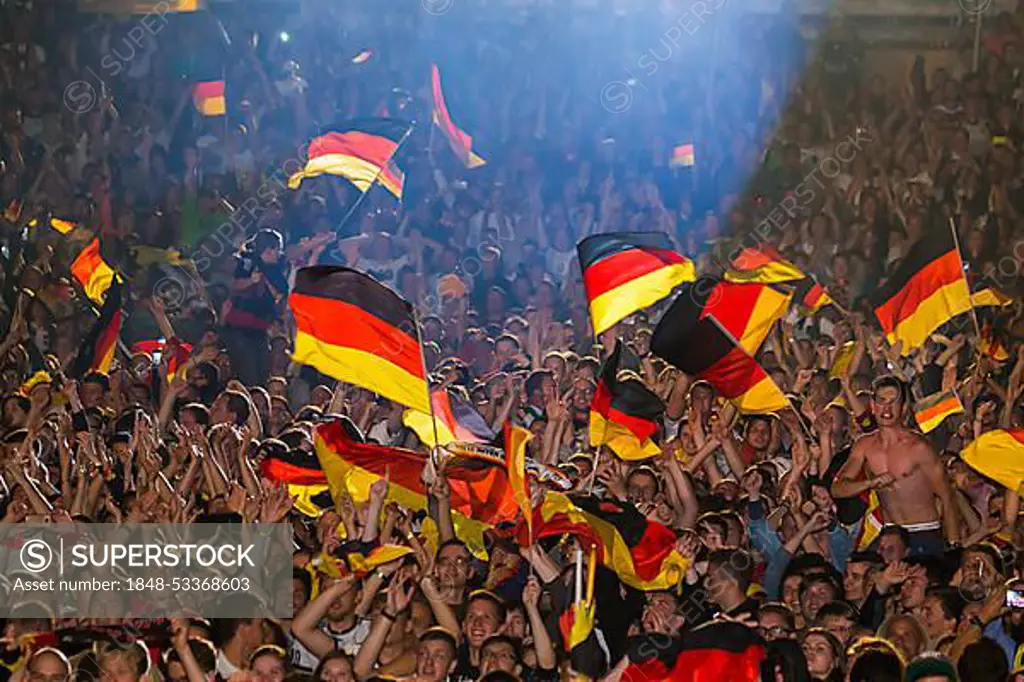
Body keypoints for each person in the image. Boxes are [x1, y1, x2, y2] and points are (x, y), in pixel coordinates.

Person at [832, 376, 960, 555]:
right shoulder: (864, 445)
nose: (887, 408)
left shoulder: (919, 447)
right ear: (873, 405)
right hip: (890, 534)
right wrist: (870, 483)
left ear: (904, 407)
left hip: (924, 531)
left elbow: (947, 496)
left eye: (893, 402)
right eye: (882, 401)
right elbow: (837, 488)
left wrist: (954, 546)